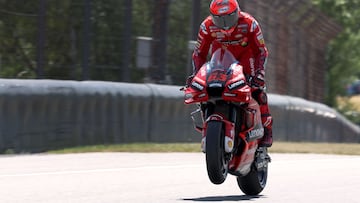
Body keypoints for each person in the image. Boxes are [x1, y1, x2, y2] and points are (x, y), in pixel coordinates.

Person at [189, 0, 273, 147]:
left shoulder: (250, 23)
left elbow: (261, 51)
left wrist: (259, 74)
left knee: (257, 91)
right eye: (219, 19)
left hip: (246, 60)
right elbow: (198, 54)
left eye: (229, 18)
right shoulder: (206, 26)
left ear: (237, 13)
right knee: (203, 90)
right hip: (220, 61)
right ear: (212, 16)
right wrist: (197, 74)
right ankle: (207, 120)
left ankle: (267, 129)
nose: (225, 24)